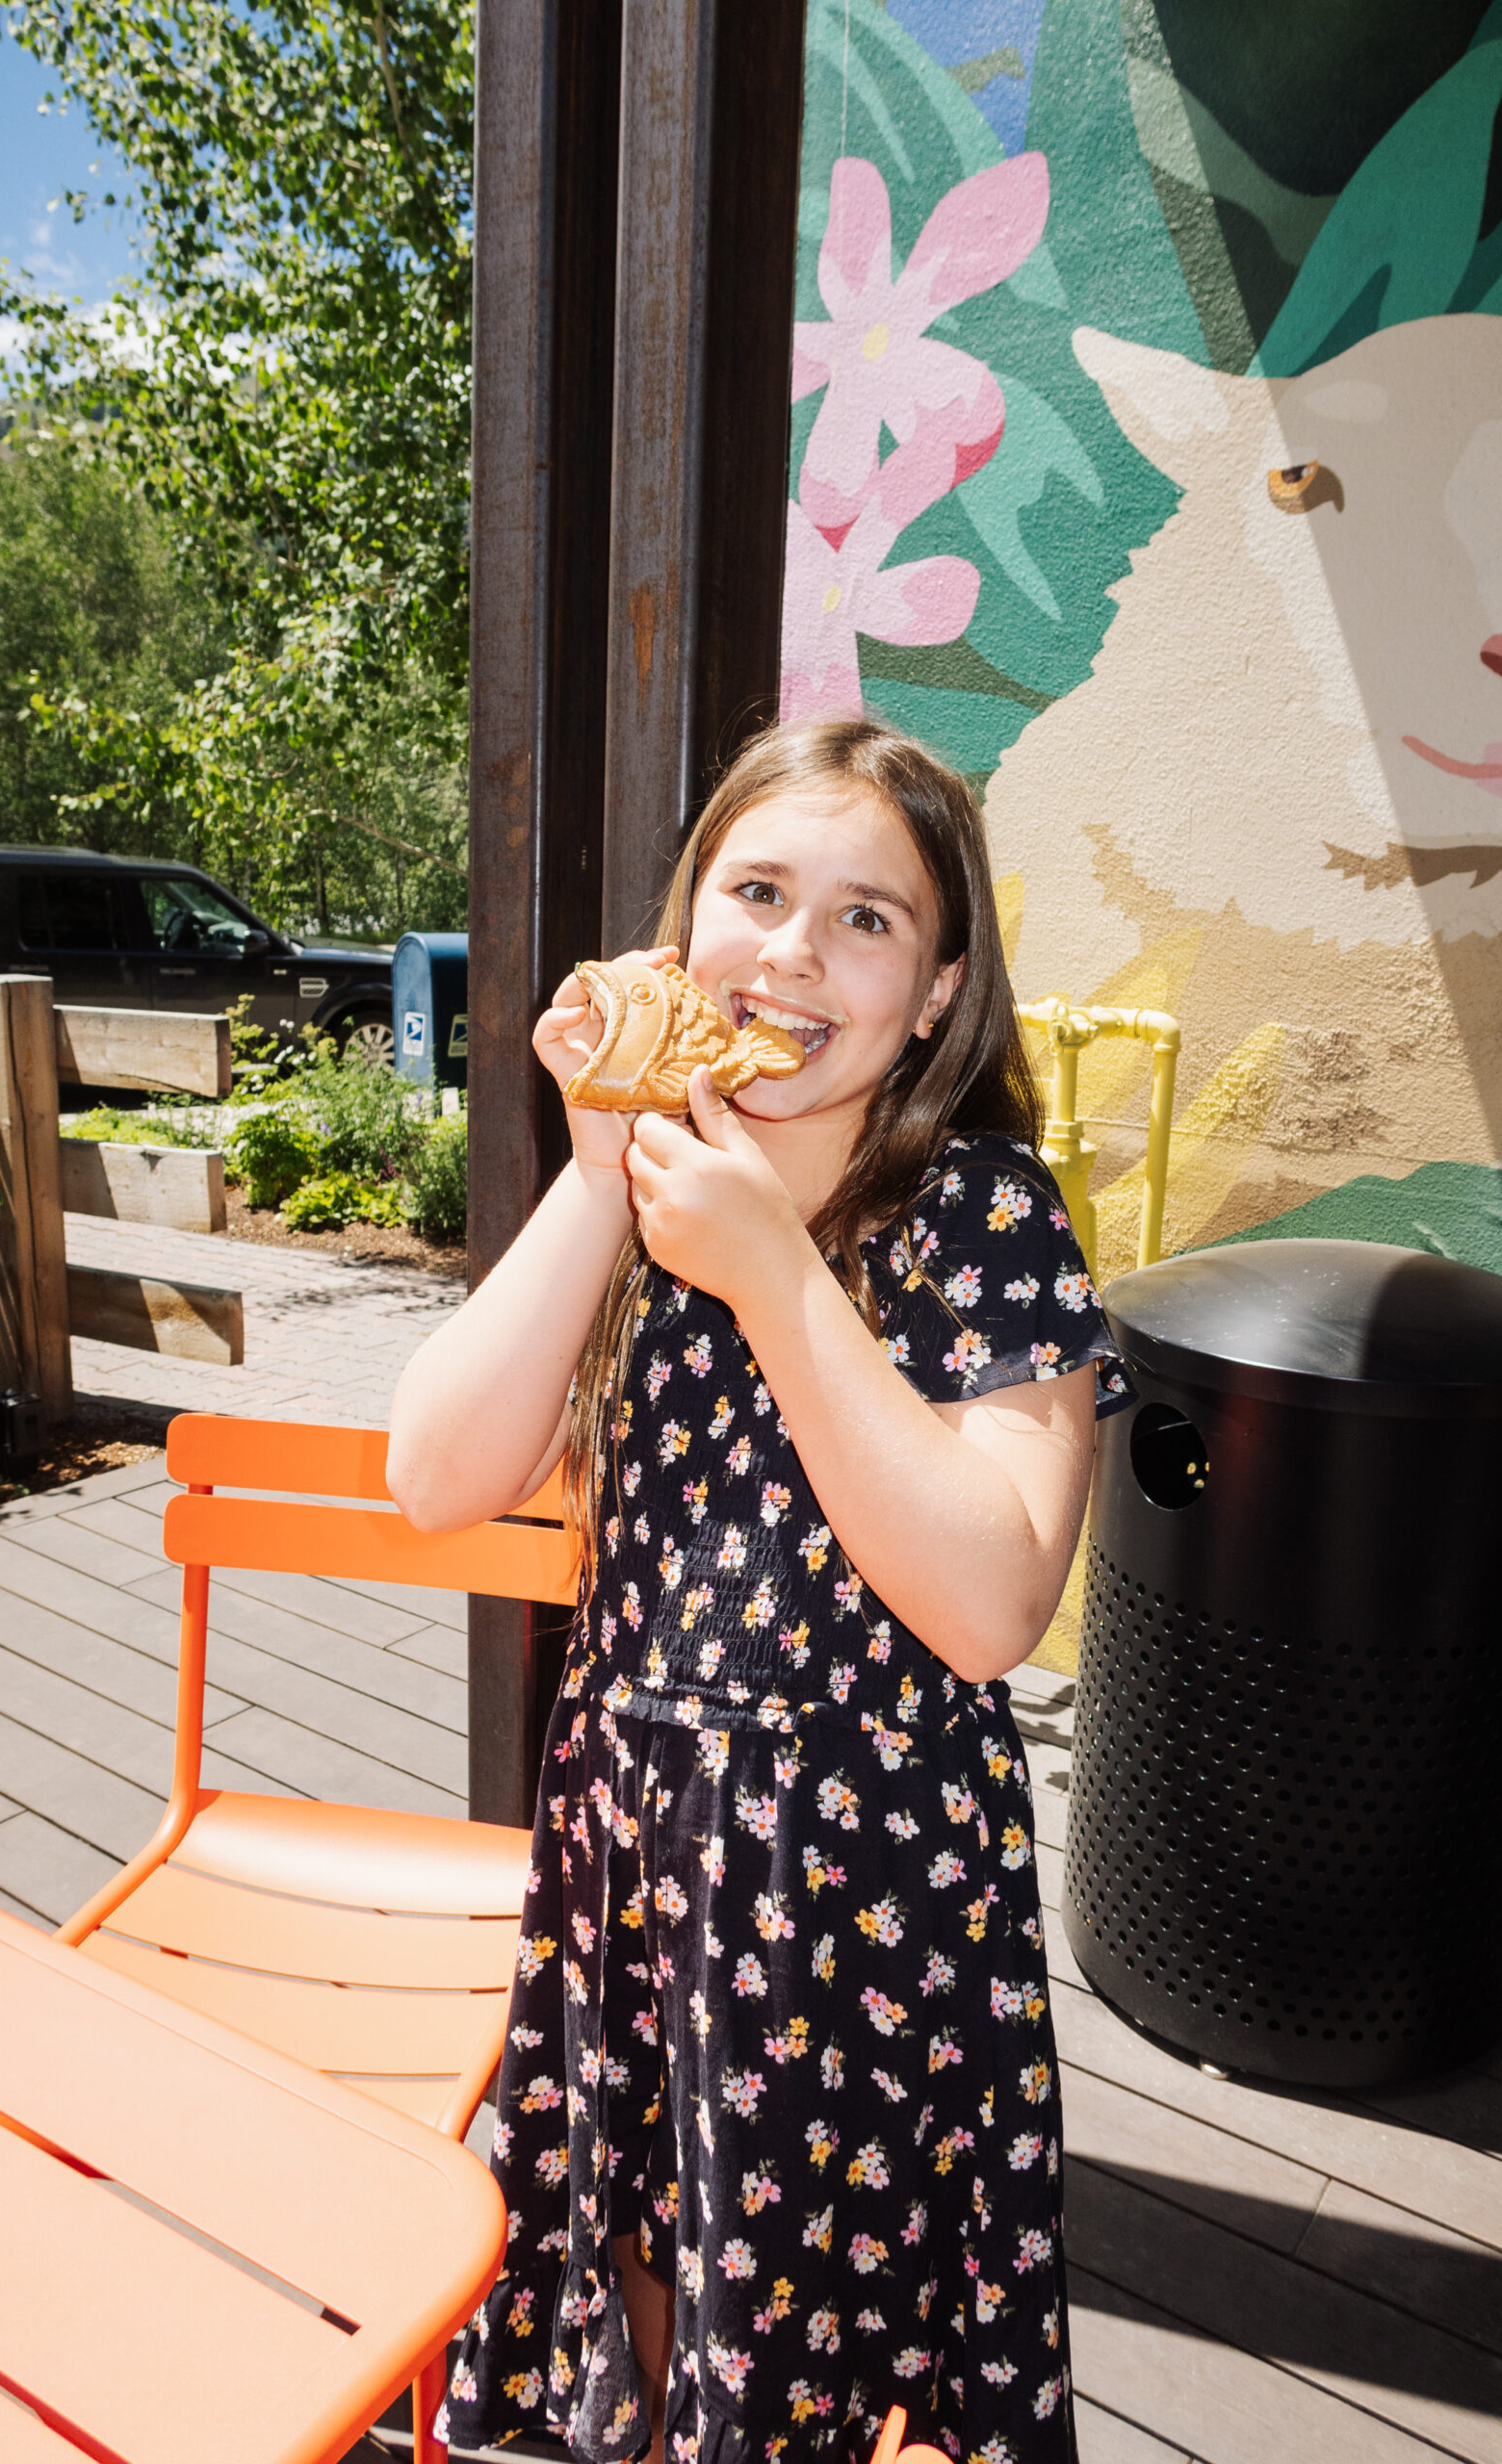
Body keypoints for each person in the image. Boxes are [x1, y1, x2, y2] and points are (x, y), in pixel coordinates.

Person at [387, 717, 1132, 2464]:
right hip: (639, 1854)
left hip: (858, 1892)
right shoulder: (643, 1192)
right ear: (681, 932)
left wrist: (777, 1278)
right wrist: (597, 1169)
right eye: (760, 891)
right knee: (650, 2269)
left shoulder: (981, 1217)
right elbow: (435, 1477)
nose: (797, 949)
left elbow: (994, 1602)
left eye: (869, 921)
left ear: (940, 992)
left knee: (815, 2338)